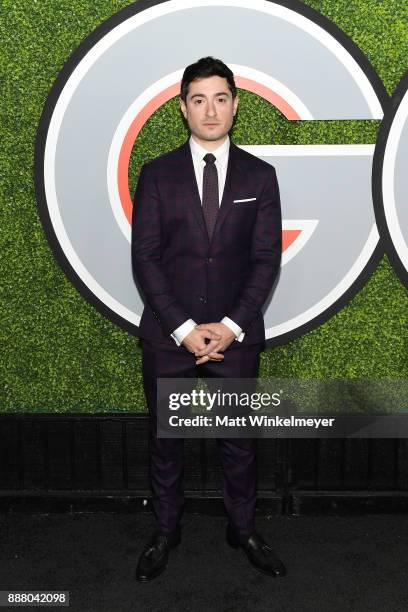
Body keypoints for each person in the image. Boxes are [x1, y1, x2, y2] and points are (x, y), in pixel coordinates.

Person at [131, 56, 284, 581]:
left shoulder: (261, 177)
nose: (210, 109)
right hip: (169, 335)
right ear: (183, 108)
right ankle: (166, 530)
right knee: (166, 440)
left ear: (235, 104)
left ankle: (242, 528)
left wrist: (231, 326)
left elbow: (265, 259)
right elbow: (146, 258)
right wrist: (183, 329)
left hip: (235, 336)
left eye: (220, 98)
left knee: (237, 440)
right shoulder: (156, 175)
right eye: (199, 99)